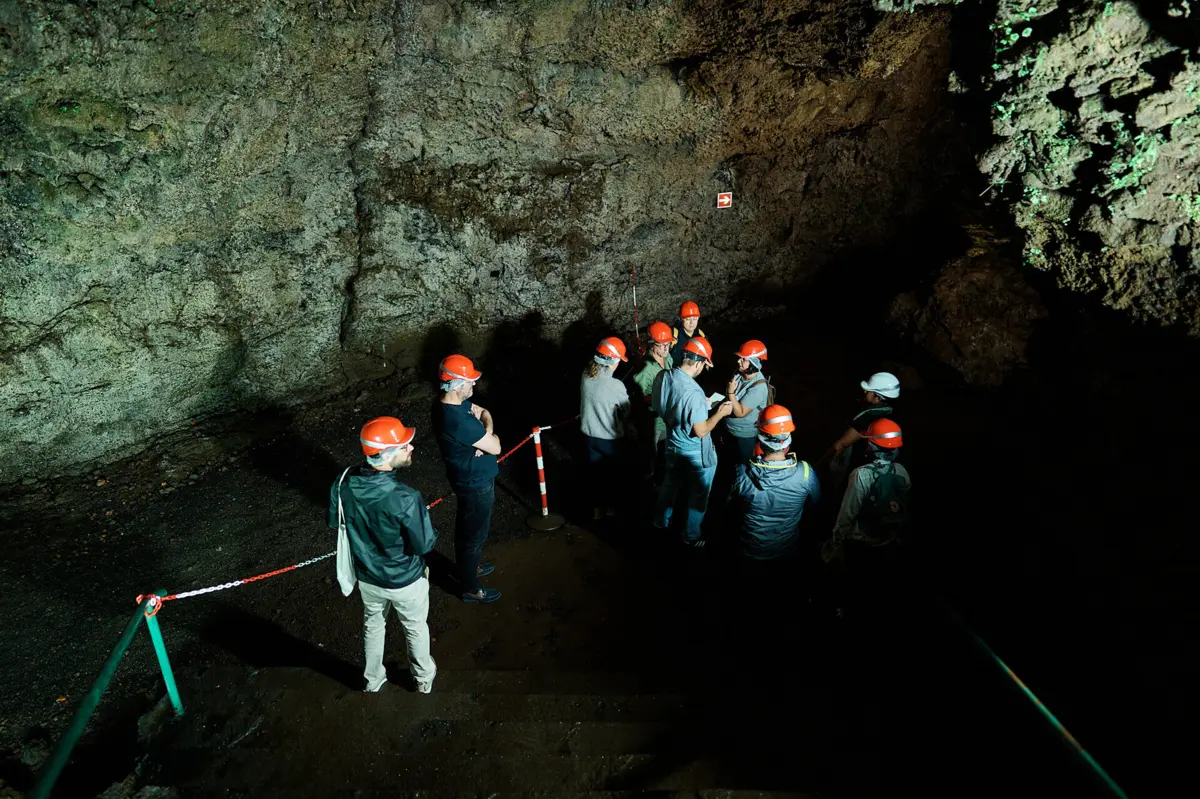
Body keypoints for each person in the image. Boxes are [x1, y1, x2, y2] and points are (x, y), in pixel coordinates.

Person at [328, 416, 437, 694]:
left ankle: (373, 680)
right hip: (405, 579)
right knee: (414, 628)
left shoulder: (343, 483)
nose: (411, 447)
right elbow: (424, 544)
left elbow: (335, 522)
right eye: (404, 446)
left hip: (367, 577)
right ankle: (423, 680)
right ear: (387, 455)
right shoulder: (405, 497)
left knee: (373, 625)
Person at [431, 354, 502, 604]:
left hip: (466, 477)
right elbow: (496, 447)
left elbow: (482, 413)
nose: (474, 386)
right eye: (470, 382)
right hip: (476, 484)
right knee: (473, 536)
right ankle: (470, 588)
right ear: (458, 384)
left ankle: (468, 567)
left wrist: (484, 427)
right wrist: (487, 429)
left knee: (468, 530)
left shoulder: (446, 404)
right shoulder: (459, 420)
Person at [651, 336, 733, 546]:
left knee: (670, 485)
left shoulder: (664, 375)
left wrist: (691, 409)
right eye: (704, 365)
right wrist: (719, 414)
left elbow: (660, 406)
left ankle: (660, 522)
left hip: (672, 444)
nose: (703, 370)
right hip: (695, 453)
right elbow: (701, 430)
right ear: (697, 362)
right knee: (698, 496)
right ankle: (691, 535)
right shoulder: (694, 393)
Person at [728, 404, 821, 561]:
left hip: (750, 549)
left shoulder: (742, 473)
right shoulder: (805, 473)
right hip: (786, 549)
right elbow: (815, 502)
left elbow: (730, 506)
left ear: (760, 438)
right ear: (787, 441)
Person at [822, 418, 911, 563]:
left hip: (863, 541)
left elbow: (848, 514)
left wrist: (835, 541)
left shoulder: (861, 475)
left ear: (871, 444)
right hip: (890, 538)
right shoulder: (902, 472)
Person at [580, 336, 633, 519]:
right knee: (612, 477)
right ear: (612, 362)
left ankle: (596, 512)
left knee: (595, 476)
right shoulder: (616, 385)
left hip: (588, 435)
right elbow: (626, 411)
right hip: (609, 439)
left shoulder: (586, 374)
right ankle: (611, 511)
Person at [826, 371, 900, 490]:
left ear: (878, 398)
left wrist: (824, 463)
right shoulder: (893, 412)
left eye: (869, 390)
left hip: (859, 465)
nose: (865, 392)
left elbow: (841, 445)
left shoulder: (869, 416)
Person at [631, 321, 674, 477]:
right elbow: (638, 396)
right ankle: (648, 481)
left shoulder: (667, 358)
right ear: (652, 344)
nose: (666, 348)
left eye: (668, 344)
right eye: (662, 345)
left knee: (665, 450)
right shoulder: (647, 368)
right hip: (652, 420)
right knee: (651, 454)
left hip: (666, 417)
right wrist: (659, 398)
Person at [722, 340, 771, 463]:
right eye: (740, 358)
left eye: (744, 359)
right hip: (730, 429)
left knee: (744, 464)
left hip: (744, 436)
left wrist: (730, 392)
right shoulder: (740, 373)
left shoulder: (758, 388)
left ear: (754, 363)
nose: (738, 361)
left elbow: (740, 413)